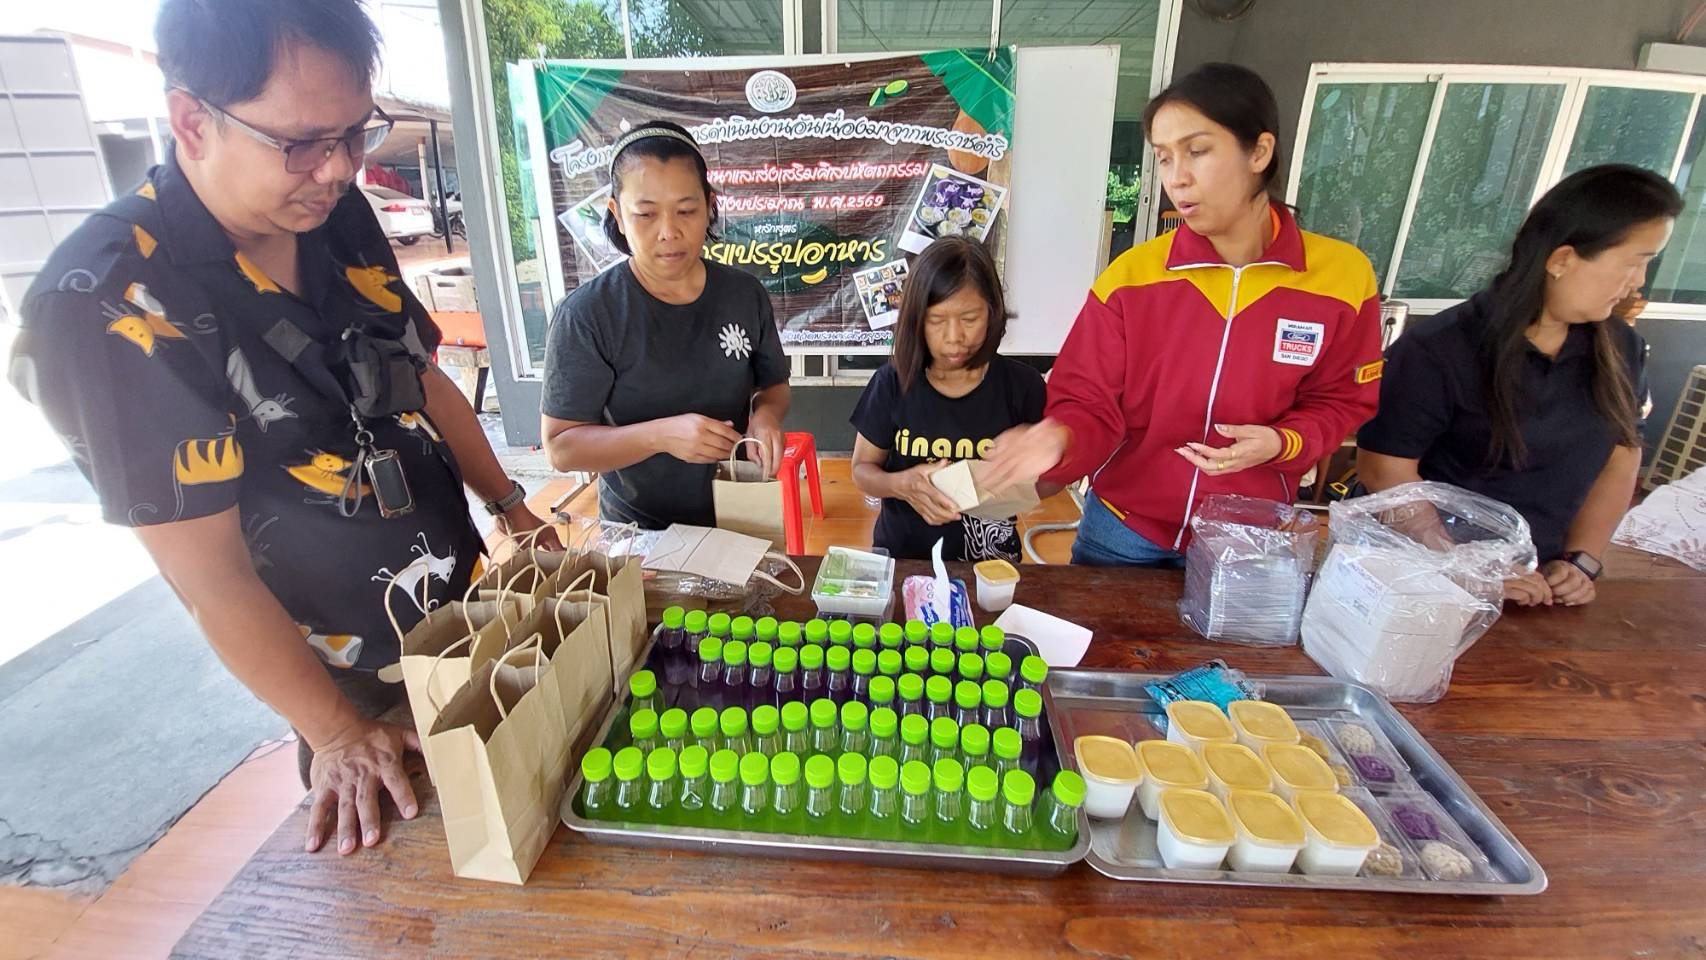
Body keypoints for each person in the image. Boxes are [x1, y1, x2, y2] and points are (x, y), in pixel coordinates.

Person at [7, 0, 559, 857]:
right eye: (302, 142)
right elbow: (209, 577)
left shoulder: (336, 214)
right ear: (192, 119)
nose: (338, 169)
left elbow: (418, 377)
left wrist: (509, 505)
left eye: (355, 134)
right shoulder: (107, 303)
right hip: (355, 693)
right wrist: (336, 734)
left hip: (469, 620)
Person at [980, 63, 1384, 566]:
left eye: (1197, 151)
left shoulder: (1342, 278)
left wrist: (1283, 441)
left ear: (1259, 151)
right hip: (1124, 532)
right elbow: (1089, 400)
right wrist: (1059, 433)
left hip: (1248, 539)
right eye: (1164, 158)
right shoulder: (1132, 278)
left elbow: (1343, 400)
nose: (1178, 178)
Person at [1357, 164, 1681, 608]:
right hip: (1425, 585)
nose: (1638, 283)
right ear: (1562, 260)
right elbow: (1385, 471)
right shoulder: (1442, 348)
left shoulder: (1620, 347)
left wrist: (1581, 560)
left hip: (1542, 591)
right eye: (1634, 263)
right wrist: (1465, 570)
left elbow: (1622, 457)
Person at [542, 121, 791, 529]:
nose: (669, 232)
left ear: (710, 205)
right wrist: (659, 436)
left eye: (687, 210)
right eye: (645, 214)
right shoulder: (587, 315)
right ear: (617, 215)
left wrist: (765, 417)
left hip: (740, 512)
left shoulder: (744, 294)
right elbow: (561, 447)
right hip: (639, 531)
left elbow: (774, 387)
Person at [848, 237, 1047, 561]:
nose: (954, 337)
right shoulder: (892, 383)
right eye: (937, 321)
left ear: (993, 312)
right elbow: (861, 471)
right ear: (916, 319)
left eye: (969, 319)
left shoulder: (1022, 386)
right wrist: (901, 484)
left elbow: (1045, 484)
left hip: (990, 565)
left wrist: (1033, 464)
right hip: (904, 558)